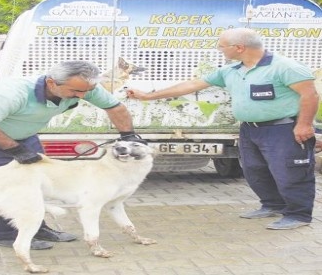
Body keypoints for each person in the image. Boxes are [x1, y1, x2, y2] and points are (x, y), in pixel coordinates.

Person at [126, 28, 319, 230]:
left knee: (290, 172)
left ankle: (299, 215)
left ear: (239, 47)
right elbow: (192, 84)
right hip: (250, 130)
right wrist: (148, 96)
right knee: (255, 171)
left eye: (222, 46)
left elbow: (310, 96)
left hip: (283, 129)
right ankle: (272, 205)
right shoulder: (231, 70)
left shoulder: (285, 67)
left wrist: (304, 124)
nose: (220, 50)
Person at [0, 60, 145, 249]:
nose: (83, 96)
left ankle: (36, 229)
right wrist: (15, 150)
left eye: (87, 91)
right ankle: (4, 235)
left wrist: (129, 136)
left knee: (38, 183)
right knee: (4, 187)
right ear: (51, 83)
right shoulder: (10, 93)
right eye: (76, 91)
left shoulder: (84, 87)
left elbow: (115, 107)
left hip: (23, 136)